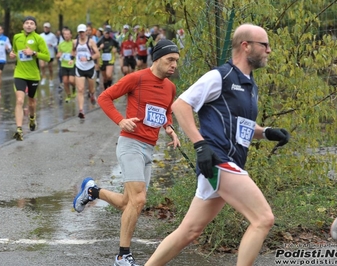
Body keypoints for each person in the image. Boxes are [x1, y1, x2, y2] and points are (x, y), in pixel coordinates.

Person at [145, 23, 291, 266]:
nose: (269, 50)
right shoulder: (220, 76)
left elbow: (239, 126)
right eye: (264, 44)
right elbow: (180, 105)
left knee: (189, 231)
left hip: (223, 162)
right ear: (246, 46)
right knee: (263, 219)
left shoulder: (249, 84)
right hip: (219, 160)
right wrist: (200, 145)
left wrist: (266, 133)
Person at [73, 39, 181, 266]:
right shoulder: (137, 78)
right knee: (139, 199)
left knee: (128, 203)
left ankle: (93, 191)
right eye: (170, 60)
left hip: (149, 148)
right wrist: (121, 121)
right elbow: (105, 98)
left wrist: (169, 128)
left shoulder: (170, 87)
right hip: (130, 144)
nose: (174, 65)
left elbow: (165, 110)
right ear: (158, 58)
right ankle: (123, 256)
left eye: (176, 61)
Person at [9, 16, 50, 141]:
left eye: (32, 23)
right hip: (19, 74)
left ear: (35, 27)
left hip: (33, 75)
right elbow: (15, 52)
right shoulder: (17, 37)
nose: (29, 25)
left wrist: (34, 53)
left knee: (31, 102)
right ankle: (19, 129)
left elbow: (47, 57)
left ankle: (32, 117)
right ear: (23, 25)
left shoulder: (39, 39)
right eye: (27, 23)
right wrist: (12, 54)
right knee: (20, 100)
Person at [72, 24, 100, 119]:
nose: (81, 34)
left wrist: (88, 58)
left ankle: (92, 95)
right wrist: (72, 58)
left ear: (86, 32)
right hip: (79, 68)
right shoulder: (75, 42)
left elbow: (97, 54)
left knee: (91, 89)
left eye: (83, 32)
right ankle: (81, 110)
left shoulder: (91, 42)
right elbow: (73, 51)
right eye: (80, 32)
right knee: (80, 89)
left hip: (90, 68)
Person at [56, 27, 75, 102]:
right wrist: (58, 55)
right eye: (65, 34)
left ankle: (74, 88)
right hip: (64, 64)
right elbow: (59, 54)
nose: (66, 36)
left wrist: (72, 57)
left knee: (71, 80)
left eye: (68, 34)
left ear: (71, 35)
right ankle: (68, 95)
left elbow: (75, 52)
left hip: (72, 64)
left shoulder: (73, 43)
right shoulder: (61, 44)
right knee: (65, 81)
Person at [39, 22, 58, 87]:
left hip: (50, 53)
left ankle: (51, 79)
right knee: (42, 66)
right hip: (42, 53)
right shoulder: (40, 35)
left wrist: (52, 44)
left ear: (49, 28)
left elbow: (56, 43)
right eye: (45, 27)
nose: (46, 29)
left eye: (47, 27)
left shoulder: (52, 36)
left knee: (50, 68)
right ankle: (44, 77)